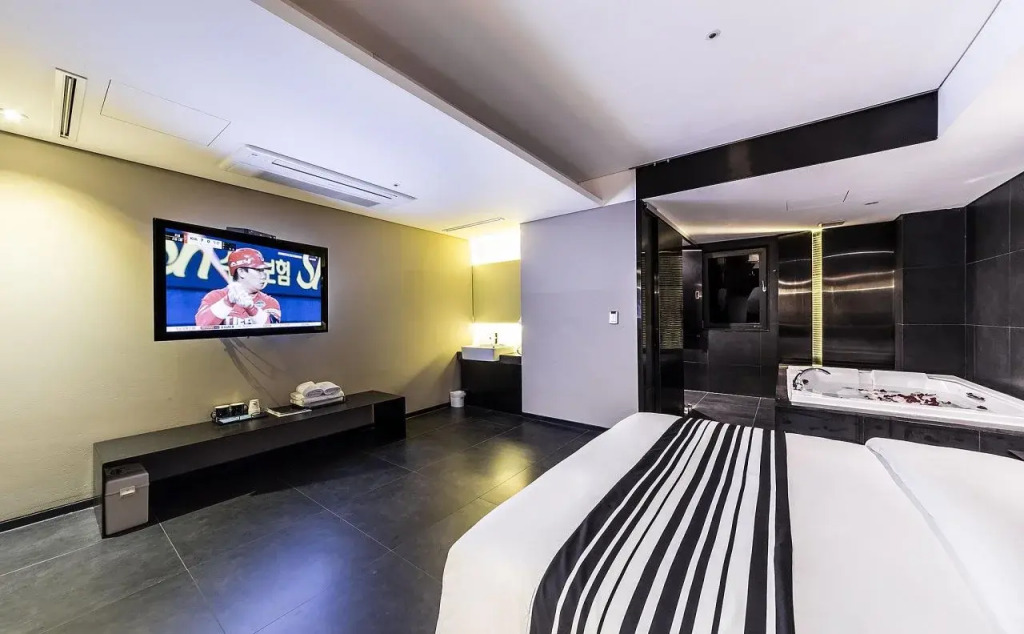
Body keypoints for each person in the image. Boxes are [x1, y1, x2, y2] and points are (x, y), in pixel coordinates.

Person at [195, 248, 282, 327]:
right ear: (241, 272)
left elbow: (272, 328)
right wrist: (227, 302)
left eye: (263, 270)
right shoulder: (215, 297)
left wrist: (251, 308)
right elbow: (202, 325)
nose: (264, 276)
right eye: (259, 270)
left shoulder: (270, 302)